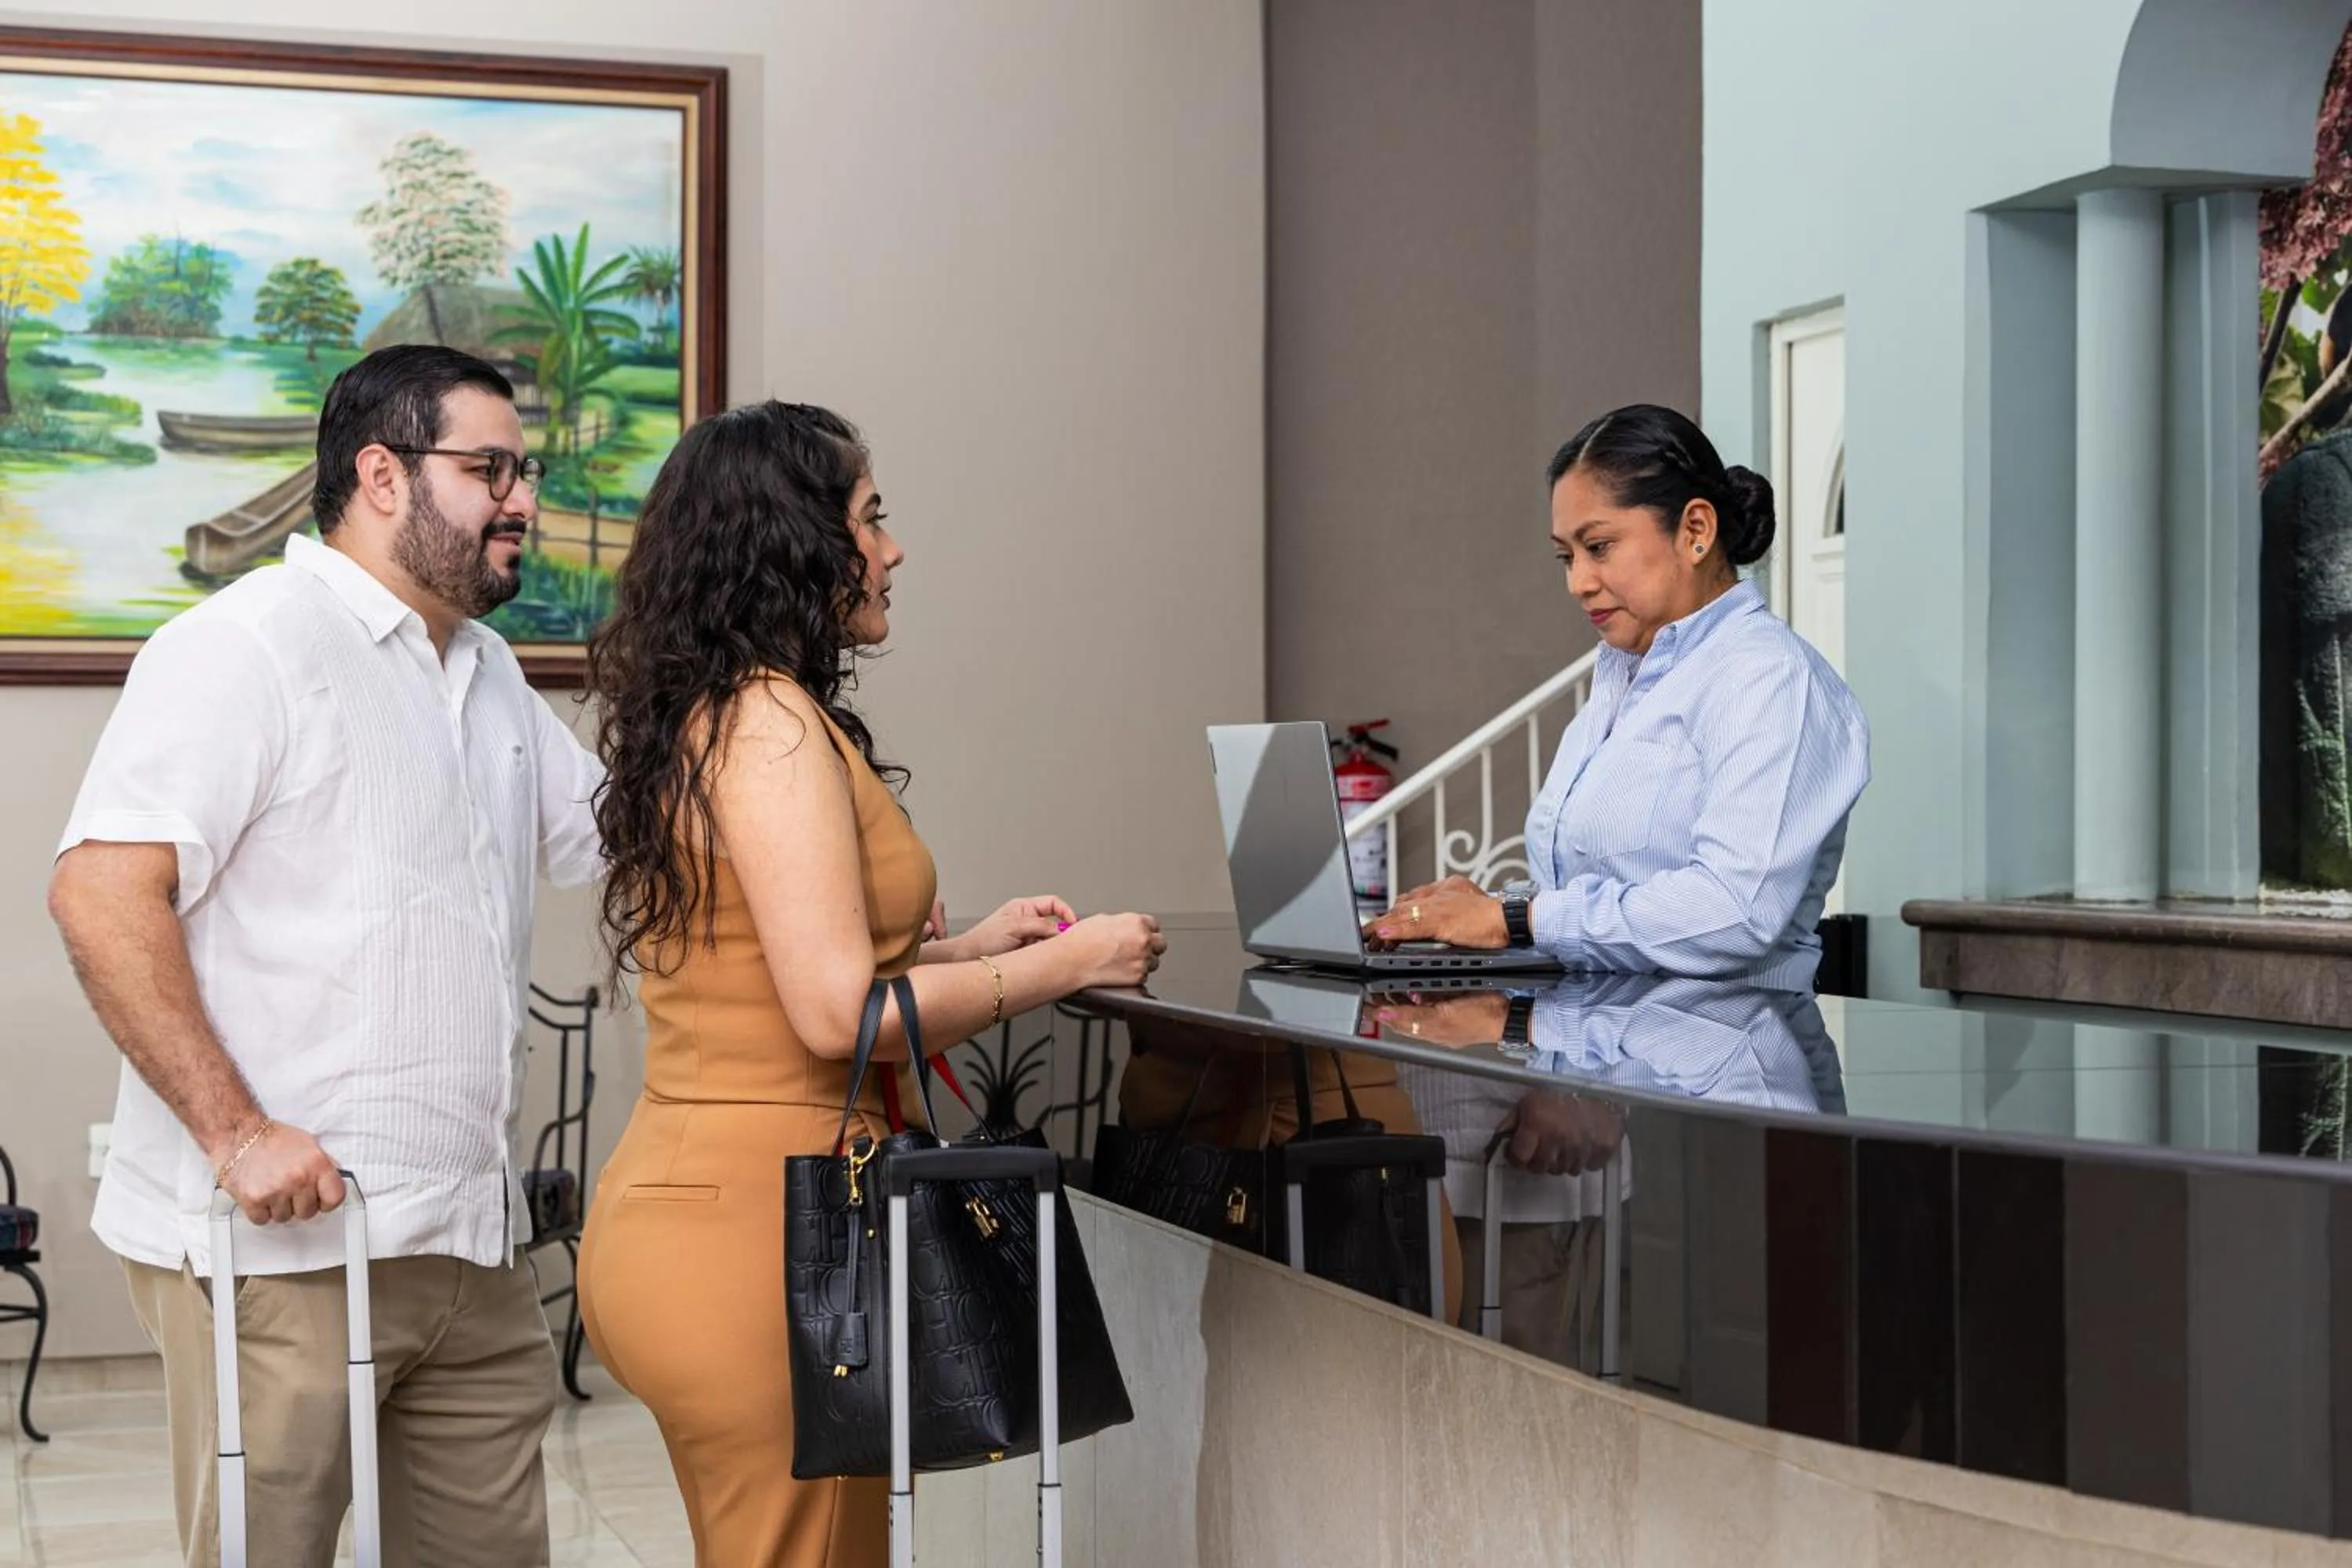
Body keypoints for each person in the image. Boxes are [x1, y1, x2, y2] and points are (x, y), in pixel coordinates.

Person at [575, 400, 1165, 1567]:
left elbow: (788, 970)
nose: (891, 550)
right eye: (870, 519)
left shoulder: (717, 711)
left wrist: (976, 946)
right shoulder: (771, 724)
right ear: (793, 539)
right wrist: (1065, 965)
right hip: (764, 1238)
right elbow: (842, 1017)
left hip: (698, 1208)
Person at [46, 344, 605, 1568]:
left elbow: (622, 843)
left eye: (526, 470)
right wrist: (239, 1134)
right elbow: (99, 892)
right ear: (383, 475)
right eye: (489, 468)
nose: (522, 499)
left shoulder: (491, 672)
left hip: (468, 1237)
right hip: (284, 1252)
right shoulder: (246, 645)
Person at [1367, 403, 1870, 992]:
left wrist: (1514, 919)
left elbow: (1735, 912)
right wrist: (1483, 912)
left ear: (1696, 531)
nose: (1577, 581)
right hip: (1596, 1050)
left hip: (1727, 1060)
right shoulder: (1622, 681)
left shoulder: (1769, 679)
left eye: (1599, 547)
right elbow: (1599, 892)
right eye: (1566, 556)